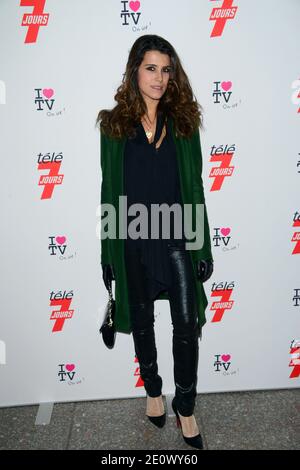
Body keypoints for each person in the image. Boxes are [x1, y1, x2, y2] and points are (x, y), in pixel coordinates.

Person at [96, 34, 214, 450]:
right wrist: (107, 253)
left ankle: (185, 406)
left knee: (186, 325)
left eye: (166, 69)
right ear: (134, 70)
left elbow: (196, 187)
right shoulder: (112, 125)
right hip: (133, 238)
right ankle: (152, 390)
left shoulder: (184, 123)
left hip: (178, 235)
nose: (159, 78)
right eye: (151, 68)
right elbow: (109, 190)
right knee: (142, 322)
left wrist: (203, 245)